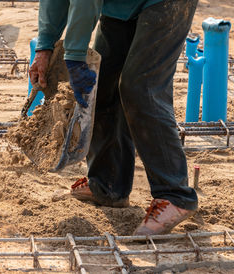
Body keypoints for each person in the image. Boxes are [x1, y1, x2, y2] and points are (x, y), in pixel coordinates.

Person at [29, 0, 199, 235]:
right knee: (104, 80)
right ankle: (108, 185)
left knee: (140, 86)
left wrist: (76, 57)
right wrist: (44, 47)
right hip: (121, 5)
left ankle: (175, 195)